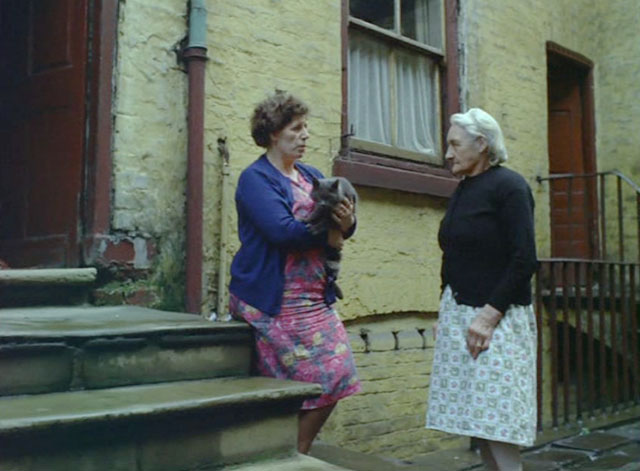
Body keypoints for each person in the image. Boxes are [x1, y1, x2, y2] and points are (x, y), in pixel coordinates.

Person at [228, 90, 361, 454]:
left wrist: (347, 223)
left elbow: (342, 224)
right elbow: (282, 232)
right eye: (296, 129)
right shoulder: (255, 179)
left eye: (306, 128)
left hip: (314, 295)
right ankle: (293, 451)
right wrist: (330, 229)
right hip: (273, 297)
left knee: (339, 372)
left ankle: (294, 449)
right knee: (313, 377)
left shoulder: (310, 175)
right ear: (273, 133)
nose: (305, 136)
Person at [426, 108, 538, 471]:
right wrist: (446, 312)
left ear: (482, 144)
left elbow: (524, 260)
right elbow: (452, 254)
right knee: (480, 420)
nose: (447, 153)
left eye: (455, 144)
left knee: (500, 421)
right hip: (461, 315)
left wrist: (489, 316)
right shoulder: (463, 190)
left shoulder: (511, 187)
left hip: (498, 319)